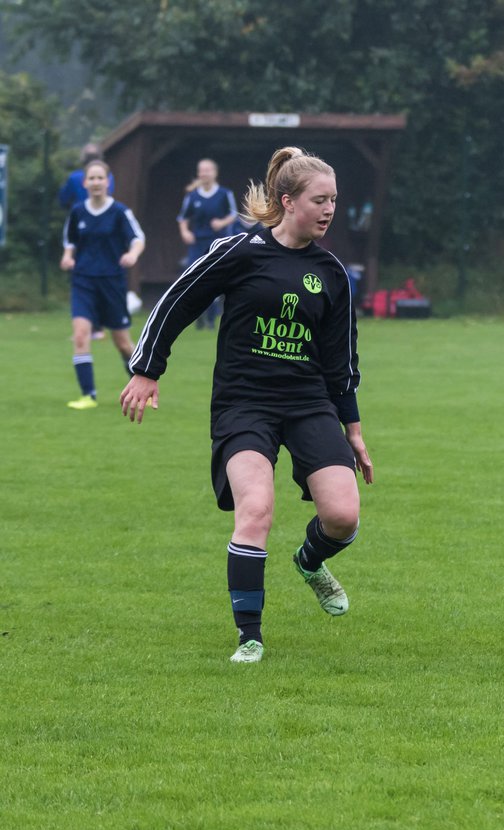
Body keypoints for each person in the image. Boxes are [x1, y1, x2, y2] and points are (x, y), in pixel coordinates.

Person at [120, 147, 373, 664]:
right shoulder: (240, 251)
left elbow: (340, 359)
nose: (329, 210)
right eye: (319, 200)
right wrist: (147, 368)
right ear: (288, 201)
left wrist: (353, 429)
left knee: (343, 515)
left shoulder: (331, 272)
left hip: (308, 404)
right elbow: (177, 301)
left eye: (334, 201)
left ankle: (309, 562)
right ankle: (250, 637)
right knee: (255, 510)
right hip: (244, 404)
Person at [60, 159, 144, 409]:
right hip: (83, 281)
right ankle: (89, 395)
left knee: (122, 342)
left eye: (100, 178)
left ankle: (140, 387)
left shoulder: (119, 212)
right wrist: (67, 257)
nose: (96, 183)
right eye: (91, 178)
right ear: (84, 183)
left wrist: (133, 254)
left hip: (112, 283)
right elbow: (70, 241)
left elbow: (138, 238)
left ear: (108, 182)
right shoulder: (77, 212)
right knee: (80, 335)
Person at [177, 158, 240, 329]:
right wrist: (185, 232)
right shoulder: (192, 196)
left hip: (217, 243)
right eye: (201, 170)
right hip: (197, 243)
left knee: (215, 279)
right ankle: (197, 317)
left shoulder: (224, 194)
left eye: (207, 170)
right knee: (194, 279)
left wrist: (222, 223)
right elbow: (183, 217)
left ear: (215, 172)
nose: (204, 174)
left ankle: (212, 318)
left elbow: (233, 214)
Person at [58, 143, 115, 210]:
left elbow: (63, 200)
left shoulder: (74, 177)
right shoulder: (108, 176)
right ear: (100, 157)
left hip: (79, 215)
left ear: (83, 158)